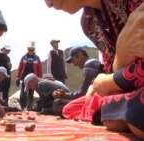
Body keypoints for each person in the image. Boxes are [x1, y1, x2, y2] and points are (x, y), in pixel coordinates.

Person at [45, 0, 144, 139]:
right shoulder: (88, 22)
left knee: (127, 111)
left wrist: (108, 82)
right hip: (123, 83)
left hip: (127, 84)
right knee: (102, 109)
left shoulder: (89, 66)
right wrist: (122, 54)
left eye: (74, 59)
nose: (48, 4)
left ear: (80, 56)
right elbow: (112, 66)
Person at [52, 47, 102, 116]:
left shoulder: (89, 65)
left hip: (94, 101)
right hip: (96, 99)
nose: (74, 64)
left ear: (80, 55)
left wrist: (65, 95)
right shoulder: (93, 62)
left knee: (57, 104)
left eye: (73, 60)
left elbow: (84, 94)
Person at [16, 41, 42, 110]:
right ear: (27, 49)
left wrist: (40, 78)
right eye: (29, 49)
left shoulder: (37, 58)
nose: (30, 51)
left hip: (33, 78)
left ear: (34, 50)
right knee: (23, 92)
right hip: (24, 78)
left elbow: (39, 69)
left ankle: (29, 106)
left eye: (32, 49)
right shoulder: (23, 57)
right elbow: (20, 67)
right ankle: (22, 106)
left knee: (31, 92)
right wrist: (18, 77)